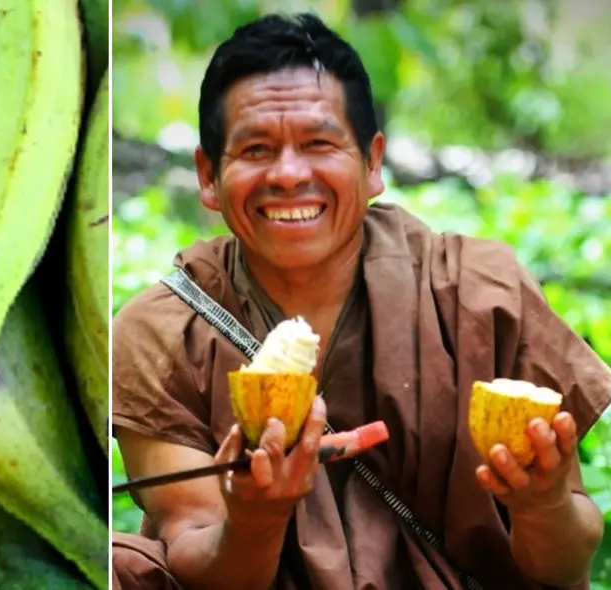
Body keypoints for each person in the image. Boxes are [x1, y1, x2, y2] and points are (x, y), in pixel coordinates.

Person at [111, 11, 610, 590]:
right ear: (207, 175)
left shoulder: (480, 294)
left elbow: (566, 565)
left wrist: (542, 505)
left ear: (372, 163)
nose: (290, 174)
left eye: (319, 143)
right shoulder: (160, 332)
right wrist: (254, 520)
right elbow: (199, 560)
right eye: (255, 150)